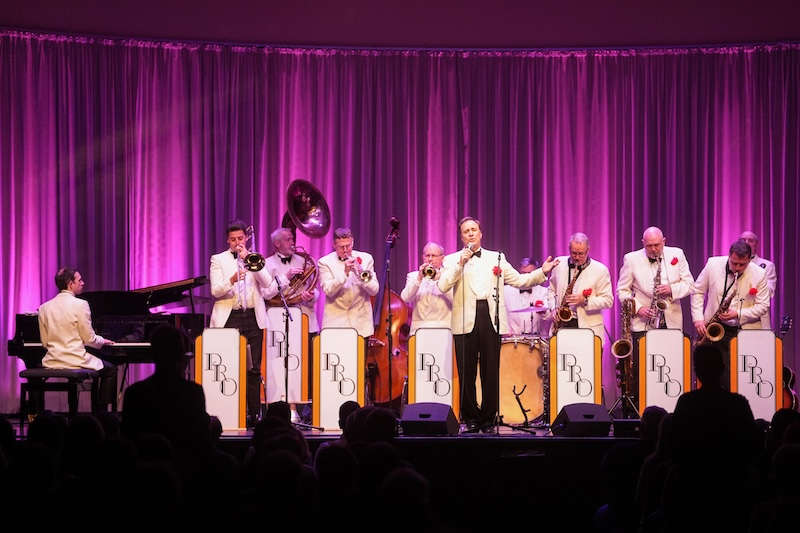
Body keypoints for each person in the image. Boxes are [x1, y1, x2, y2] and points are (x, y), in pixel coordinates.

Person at [438, 216, 558, 429]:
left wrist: (543, 272)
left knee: (489, 371)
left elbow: (520, 280)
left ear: (481, 233)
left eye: (474, 229)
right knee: (467, 373)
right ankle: (471, 418)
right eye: (466, 231)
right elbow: (444, 285)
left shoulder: (497, 258)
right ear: (461, 236)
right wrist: (460, 263)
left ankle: (488, 418)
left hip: (490, 319)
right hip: (465, 320)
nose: (471, 233)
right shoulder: (451, 259)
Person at [209, 220, 279, 426]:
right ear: (227, 240)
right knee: (229, 366)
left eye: (240, 239)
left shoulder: (254, 258)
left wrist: (249, 259)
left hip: (252, 317)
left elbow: (269, 285)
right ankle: (230, 412)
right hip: (229, 317)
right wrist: (231, 279)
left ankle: (255, 414)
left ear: (246, 239)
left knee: (254, 368)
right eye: (233, 240)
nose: (237, 243)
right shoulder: (218, 259)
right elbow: (215, 291)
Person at [616, 227, 695, 406]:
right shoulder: (631, 259)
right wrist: (637, 308)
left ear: (664, 241)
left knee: (669, 367)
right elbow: (622, 290)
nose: (653, 249)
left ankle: (671, 405)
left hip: (671, 321)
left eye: (657, 245)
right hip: (643, 323)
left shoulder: (677, 254)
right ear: (643, 243)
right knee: (644, 369)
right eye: (649, 245)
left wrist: (672, 289)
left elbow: (690, 284)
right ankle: (642, 408)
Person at [690, 239, 770, 388]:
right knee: (710, 375)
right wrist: (698, 319)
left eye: (742, 265)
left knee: (733, 378)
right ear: (729, 256)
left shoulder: (759, 274)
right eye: (734, 263)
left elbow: (763, 306)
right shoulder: (713, 264)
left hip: (741, 330)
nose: (737, 268)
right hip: (712, 327)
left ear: (749, 259)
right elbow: (697, 291)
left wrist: (738, 313)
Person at [38, 267, 116, 411]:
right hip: (75, 359)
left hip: (52, 360)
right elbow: (89, 339)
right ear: (70, 283)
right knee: (110, 369)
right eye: (79, 280)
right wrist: (102, 340)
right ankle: (102, 414)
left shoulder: (44, 308)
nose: (83, 283)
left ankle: (35, 416)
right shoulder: (81, 305)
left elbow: (44, 342)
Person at [265, 227, 319, 421]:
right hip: (277, 321)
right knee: (282, 363)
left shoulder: (304, 261)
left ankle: (306, 410)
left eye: (292, 239)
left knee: (305, 364)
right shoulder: (267, 264)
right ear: (277, 244)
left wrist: (310, 296)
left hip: (304, 317)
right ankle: (278, 406)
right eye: (288, 240)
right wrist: (286, 278)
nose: (292, 242)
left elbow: (314, 288)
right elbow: (267, 293)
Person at [548, 232, 614, 341]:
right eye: (574, 253)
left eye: (581, 254)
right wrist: (553, 308)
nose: (577, 257)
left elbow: (608, 300)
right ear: (569, 249)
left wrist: (585, 300)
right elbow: (551, 290)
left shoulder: (600, 270)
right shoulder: (558, 264)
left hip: (588, 328)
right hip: (562, 325)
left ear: (588, 250)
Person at [317, 227, 379, 336]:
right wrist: (344, 273)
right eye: (341, 247)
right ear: (334, 245)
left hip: (361, 326)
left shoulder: (366, 258)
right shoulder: (324, 262)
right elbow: (328, 290)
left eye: (348, 246)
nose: (345, 250)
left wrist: (360, 272)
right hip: (335, 325)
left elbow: (374, 290)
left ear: (353, 242)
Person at [400, 241, 453, 334]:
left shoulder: (448, 276)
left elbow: (455, 300)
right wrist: (418, 279)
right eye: (427, 256)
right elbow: (405, 298)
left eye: (434, 256)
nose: (430, 259)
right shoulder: (413, 276)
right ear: (422, 257)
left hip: (444, 329)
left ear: (442, 258)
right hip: (419, 329)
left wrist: (439, 279)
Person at [503, 257, 554, 337]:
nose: (526, 277)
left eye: (530, 274)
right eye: (523, 273)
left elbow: (550, 318)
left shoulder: (544, 292)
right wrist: (503, 331)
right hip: (512, 340)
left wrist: (543, 312)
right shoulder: (505, 291)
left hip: (537, 339)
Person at [740, 230, 776, 329]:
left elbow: (769, 292)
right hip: (735, 318)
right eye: (743, 240)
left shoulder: (767, 266)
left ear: (756, 244)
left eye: (750, 240)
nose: (746, 243)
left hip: (758, 319)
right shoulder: (732, 264)